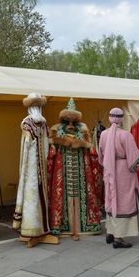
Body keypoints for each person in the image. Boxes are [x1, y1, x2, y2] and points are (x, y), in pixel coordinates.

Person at [47, 98, 103, 239]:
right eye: (67, 121)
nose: (70, 125)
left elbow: (91, 151)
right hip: (62, 169)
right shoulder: (56, 129)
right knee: (62, 196)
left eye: (73, 121)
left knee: (82, 195)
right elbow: (51, 153)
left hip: (81, 170)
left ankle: (82, 227)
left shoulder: (83, 130)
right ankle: (64, 227)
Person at [99, 108, 139, 248]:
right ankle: (119, 238)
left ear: (109, 118)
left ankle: (111, 232)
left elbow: (101, 156)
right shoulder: (126, 135)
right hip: (124, 171)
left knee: (112, 199)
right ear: (122, 119)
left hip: (110, 171)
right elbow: (134, 160)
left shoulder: (104, 134)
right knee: (125, 202)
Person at [12, 93, 51, 238]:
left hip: (31, 167)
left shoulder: (27, 123)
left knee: (31, 195)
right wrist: (46, 161)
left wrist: (23, 167)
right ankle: (41, 228)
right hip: (41, 165)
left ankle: (31, 229)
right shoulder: (43, 122)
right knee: (38, 195)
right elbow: (46, 144)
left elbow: (25, 147)